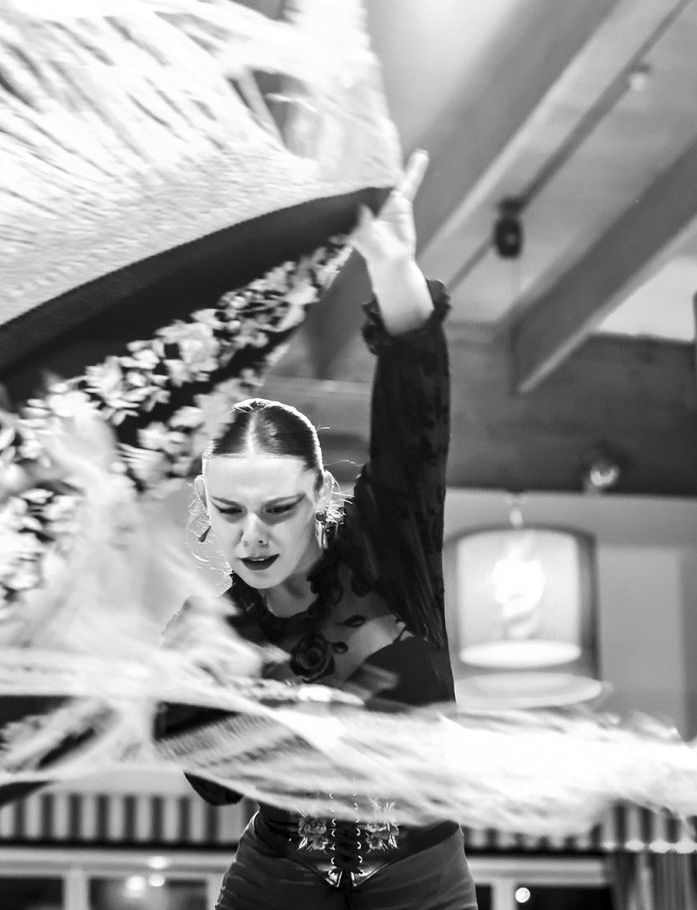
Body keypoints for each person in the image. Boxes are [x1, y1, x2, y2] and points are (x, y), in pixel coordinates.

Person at [166, 152, 479, 910]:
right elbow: (215, 790)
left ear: (317, 493)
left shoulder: (387, 551)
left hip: (419, 880)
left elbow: (417, 417)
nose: (253, 537)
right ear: (206, 504)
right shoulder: (211, 627)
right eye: (230, 512)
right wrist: (196, 686)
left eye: (277, 509)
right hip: (277, 879)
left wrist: (392, 266)